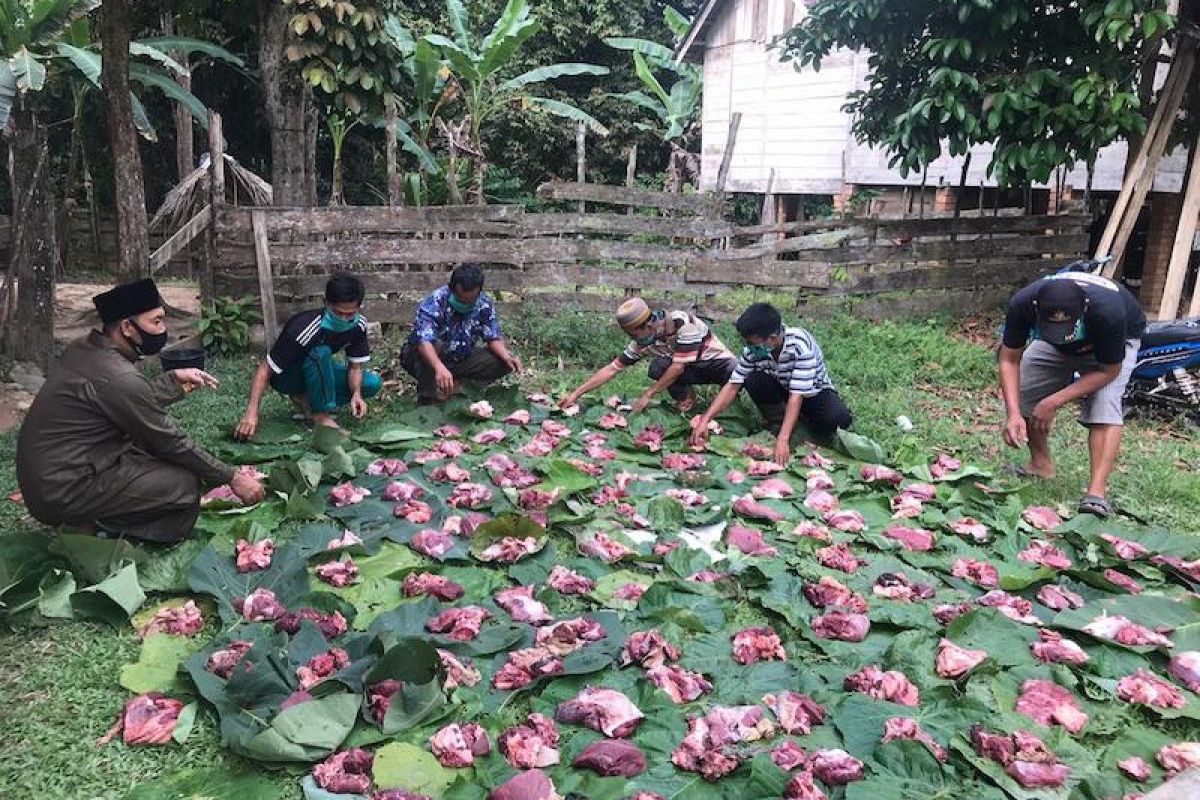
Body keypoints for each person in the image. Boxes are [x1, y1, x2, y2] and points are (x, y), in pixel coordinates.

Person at [16, 278, 265, 543]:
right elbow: (168, 441)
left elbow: (124, 401)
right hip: (63, 488)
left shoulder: (85, 348)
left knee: (153, 460)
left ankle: (92, 518)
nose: (163, 329)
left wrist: (173, 380)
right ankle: (100, 530)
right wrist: (233, 478)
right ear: (126, 327)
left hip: (52, 476)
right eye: (156, 322)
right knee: (183, 484)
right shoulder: (117, 375)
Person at [998, 271, 1145, 518]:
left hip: (1111, 346)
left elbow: (1110, 370)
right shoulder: (1023, 303)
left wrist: (1055, 400)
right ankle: (1040, 465)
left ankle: (1096, 494)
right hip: (1053, 344)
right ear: (1037, 308)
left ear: (1084, 308)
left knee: (1104, 405)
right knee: (1024, 390)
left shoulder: (1108, 312)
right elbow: (1009, 359)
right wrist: (1013, 413)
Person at [690, 302, 852, 465]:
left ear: (773, 339)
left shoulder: (800, 346)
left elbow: (797, 396)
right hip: (783, 388)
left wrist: (783, 440)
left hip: (813, 393)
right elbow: (733, 385)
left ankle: (798, 426)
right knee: (753, 378)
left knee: (838, 418)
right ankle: (779, 421)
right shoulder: (753, 351)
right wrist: (705, 420)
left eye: (753, 343)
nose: (749, 347)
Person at [235, 273, 381, 440]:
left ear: (359, 307)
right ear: (326, 303)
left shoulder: (358, 325)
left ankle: (306, 398)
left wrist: (356, 393)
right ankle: (321, 415)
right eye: (338, 312)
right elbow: (265, 370)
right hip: (287, 377)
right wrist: (251, 414)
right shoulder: (303, 328)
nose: (343, 318)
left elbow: (355, 367)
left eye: (349, 314)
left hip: (318, 370)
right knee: (321, 352)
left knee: (371, 383)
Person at [558, 297, 736, 413]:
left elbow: (678, 367)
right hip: (689, 366)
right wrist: (576, 394)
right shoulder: (643, 342)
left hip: (714, 363)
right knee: (658, 367)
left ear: (648, 327)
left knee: (732, 369)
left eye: (633, 335)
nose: (632, 339)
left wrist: (648, 394)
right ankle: (687, 400)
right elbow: (612, 369)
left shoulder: (682, 324)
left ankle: (725, 408)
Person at [400, 263, 522, 404]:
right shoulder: (435, 301)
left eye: (470, 301)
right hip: (424, 357)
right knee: (433, 346)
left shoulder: (484, 304)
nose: (464, 304)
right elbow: (424, 342)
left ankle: (460, 388)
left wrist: (507, 357)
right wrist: (439, 367)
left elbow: (492, 336)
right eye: (459, 299)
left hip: (460, 357)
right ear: (452, 289)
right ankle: (428, 397)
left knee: (503, 362)